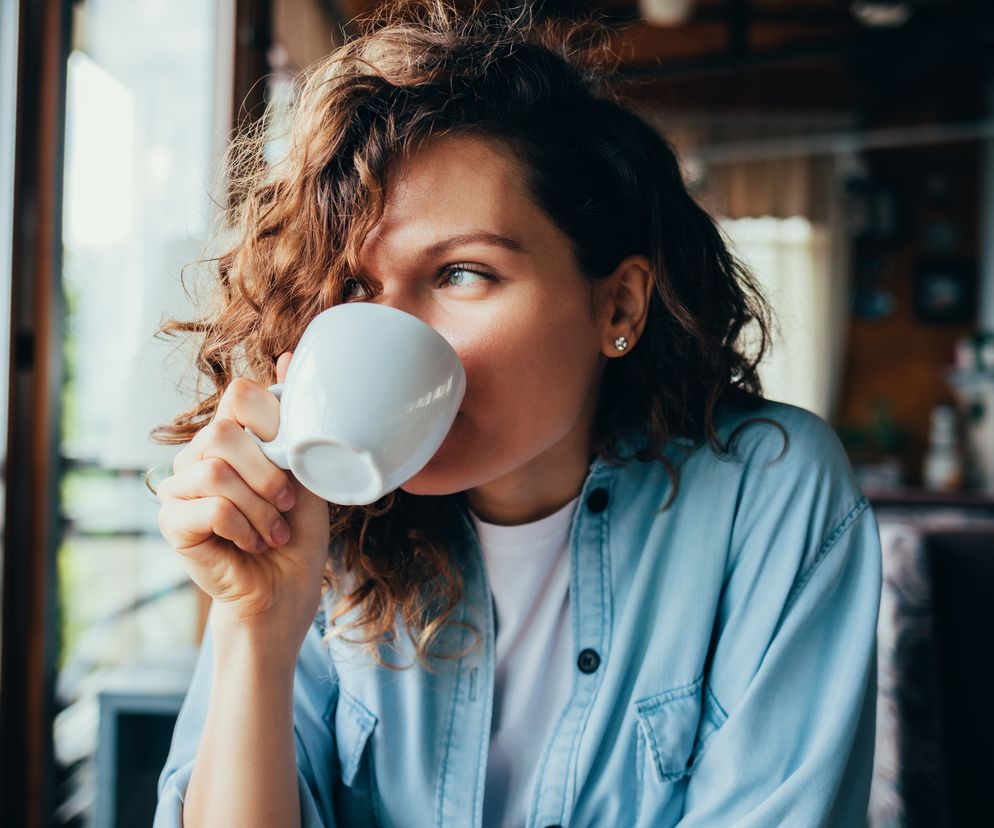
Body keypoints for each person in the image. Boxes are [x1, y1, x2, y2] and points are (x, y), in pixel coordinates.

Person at [150, 1, 882, 826]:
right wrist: (255, 628)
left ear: (618, 306)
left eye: (462, 273)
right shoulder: (317, 529)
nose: (390, 332)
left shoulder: (767, 493)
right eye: (356, 286)